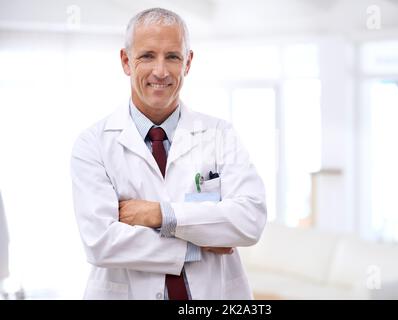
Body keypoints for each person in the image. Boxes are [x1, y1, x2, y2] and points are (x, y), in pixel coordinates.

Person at [70, 7, 266, 300]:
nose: (160, 71)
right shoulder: (93, 144)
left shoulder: (220, 135)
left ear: (187, 63)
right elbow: (101, 242)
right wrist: (198, 242)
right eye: (147, 56)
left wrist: (160, 214)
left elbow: (249, 220)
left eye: (172, 57)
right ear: (126, 61)